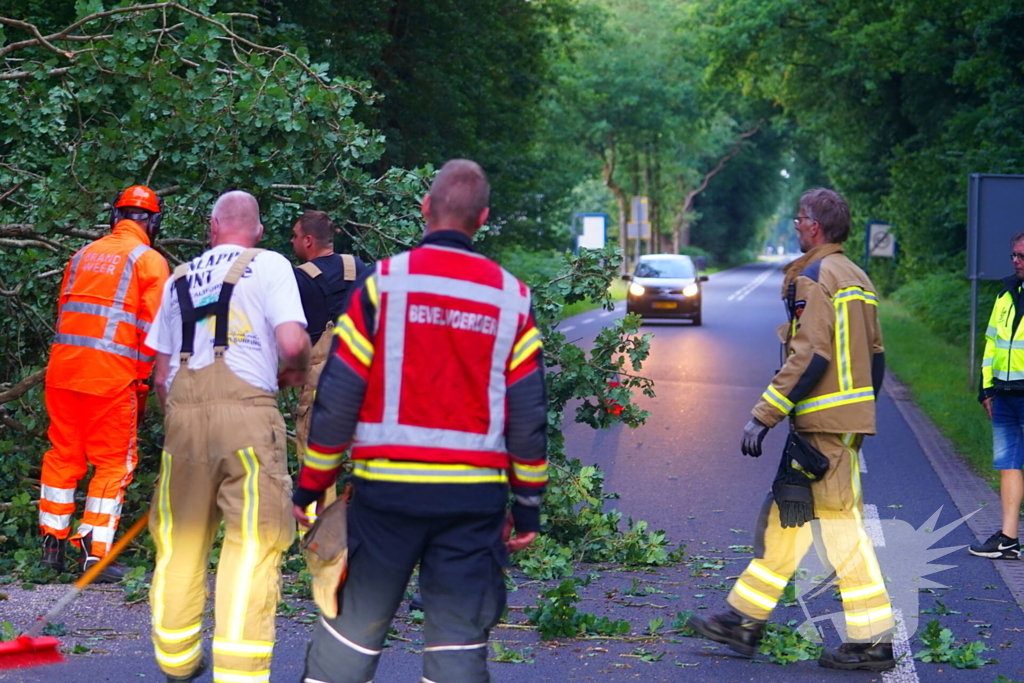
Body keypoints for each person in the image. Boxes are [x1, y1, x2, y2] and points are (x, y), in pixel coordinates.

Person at [293, 159, 549, 683]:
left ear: (424, 208)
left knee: (351, 633)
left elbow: (339, 395)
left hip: (387, 495)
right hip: (471, 503)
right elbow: (528, 415)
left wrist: (311, 486)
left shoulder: (384, 284)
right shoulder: (511, 298)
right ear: (482, 219)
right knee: (456, 644)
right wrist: (527, 507)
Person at [689, 188, 895, 672]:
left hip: (823, 423)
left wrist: (763, 415)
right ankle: (743, 619)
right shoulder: (857, 277)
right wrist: (860, 413)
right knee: (787, 519)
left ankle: (873, 641)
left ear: (816, 228)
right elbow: (878, 356)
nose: (797, 225)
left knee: (841, 528)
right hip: (835, 423)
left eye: (801, 219)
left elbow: (811, 354)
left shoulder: (815, 277)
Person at [145, 191, 311, 683]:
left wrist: (179, 424)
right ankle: (238, 674)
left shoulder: (177, 277)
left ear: (212, 227)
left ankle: (176, 661)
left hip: (182, 425)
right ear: (257, 231)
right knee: (252, 543)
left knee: (180, 541)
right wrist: (296, 371)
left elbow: (159, 377)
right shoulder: (270, 264)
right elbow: (292, 341)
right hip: (247, 420)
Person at [40, 185, 170, 582]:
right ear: (152, 222)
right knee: (113, 464)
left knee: (64, 455)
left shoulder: (82, 256)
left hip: (63, 372)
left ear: (115, 217)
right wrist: (143, 384)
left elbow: (66, 312)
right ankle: (93, 553)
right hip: (111, 378)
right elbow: (152, 333)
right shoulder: (149, 262)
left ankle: (52, 540)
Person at [290, 210, 368, 513]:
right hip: (362, 374)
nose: (293, 241)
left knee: (316, 459)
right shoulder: (358, 266)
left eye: (296, 236)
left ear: (309, 241)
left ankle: (316, 542)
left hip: (321, 379)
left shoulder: (298, 278)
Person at [973, 231, 1024, 560]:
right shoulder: (1006, 293)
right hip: (1004, 393)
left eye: (1023, 256)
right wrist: (986, 388)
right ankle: (1008, 538)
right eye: (1014, 256)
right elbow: (992, 344)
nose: (1017, 261)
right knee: (1008, 465)